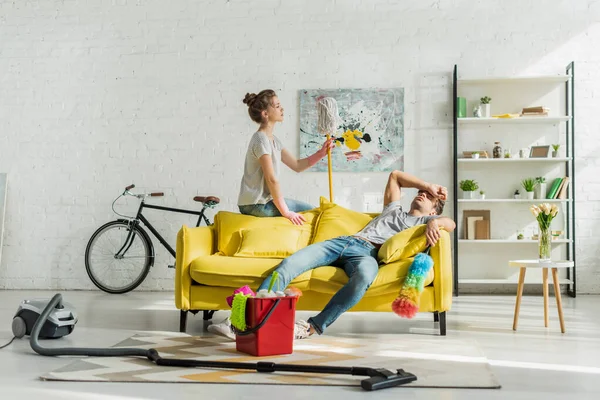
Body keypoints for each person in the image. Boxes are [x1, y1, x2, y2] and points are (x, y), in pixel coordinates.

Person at [208, 170, 455, 340]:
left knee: (363, 279)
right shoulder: (393, 208)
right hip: (342, 242)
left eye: (430, 197)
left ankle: (312, 326)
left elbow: (451, 224)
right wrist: (427, 185)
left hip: (367, 254)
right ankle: (239, 322)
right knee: (290, 264)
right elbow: (395, 176)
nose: (423, 195)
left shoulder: (427, 220)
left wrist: (436, 223)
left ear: (434, 208)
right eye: (422, 192)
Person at [238, 89, 334, 225]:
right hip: (254, 204)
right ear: (265, 113)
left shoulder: (274, 140)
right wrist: (286, 212)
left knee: (313, 211)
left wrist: (321, 153)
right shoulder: (260, 139)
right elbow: (271, 179)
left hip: (264, 202)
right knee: (312, 213)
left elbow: (297, 165)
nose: (282, 108)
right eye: (277, 106)